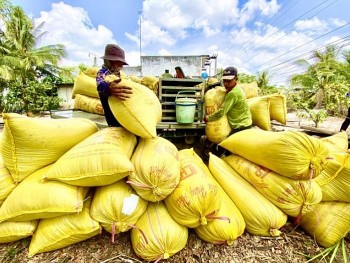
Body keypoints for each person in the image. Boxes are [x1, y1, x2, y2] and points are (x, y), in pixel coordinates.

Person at [201, 66, 252, 157]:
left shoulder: (233, 93)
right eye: (224, 81)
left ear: (236, 79)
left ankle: (220, 161)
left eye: (229, 81)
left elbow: (221, 112)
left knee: (225, 146)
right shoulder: (233, 90)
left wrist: (208, 118)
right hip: (240, 123)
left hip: (241, 125)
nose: (226, 83)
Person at [96, 44, 133, 127]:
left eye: (122, 64)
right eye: (118, 63)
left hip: (123, 112)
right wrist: (108, 87)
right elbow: (100, 85)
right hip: (112, 115)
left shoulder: (119, 74)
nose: (121, 67)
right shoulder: (102, 73)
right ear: (108, 61)